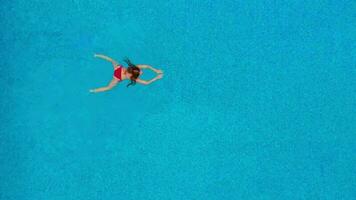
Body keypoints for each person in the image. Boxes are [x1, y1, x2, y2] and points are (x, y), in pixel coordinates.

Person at [89, 54, 163, 93]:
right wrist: (156, 77)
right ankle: (92, 91)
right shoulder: (132, 78)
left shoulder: (134, 68)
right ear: (132, 75)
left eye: (139, 71)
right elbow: (146, 82)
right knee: (108, 88)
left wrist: (156, 71)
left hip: (118, 68)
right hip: (117, 78)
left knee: (111, 60)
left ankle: (96, 55)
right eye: (139, 73)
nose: (141, 72)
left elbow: (146, 66)